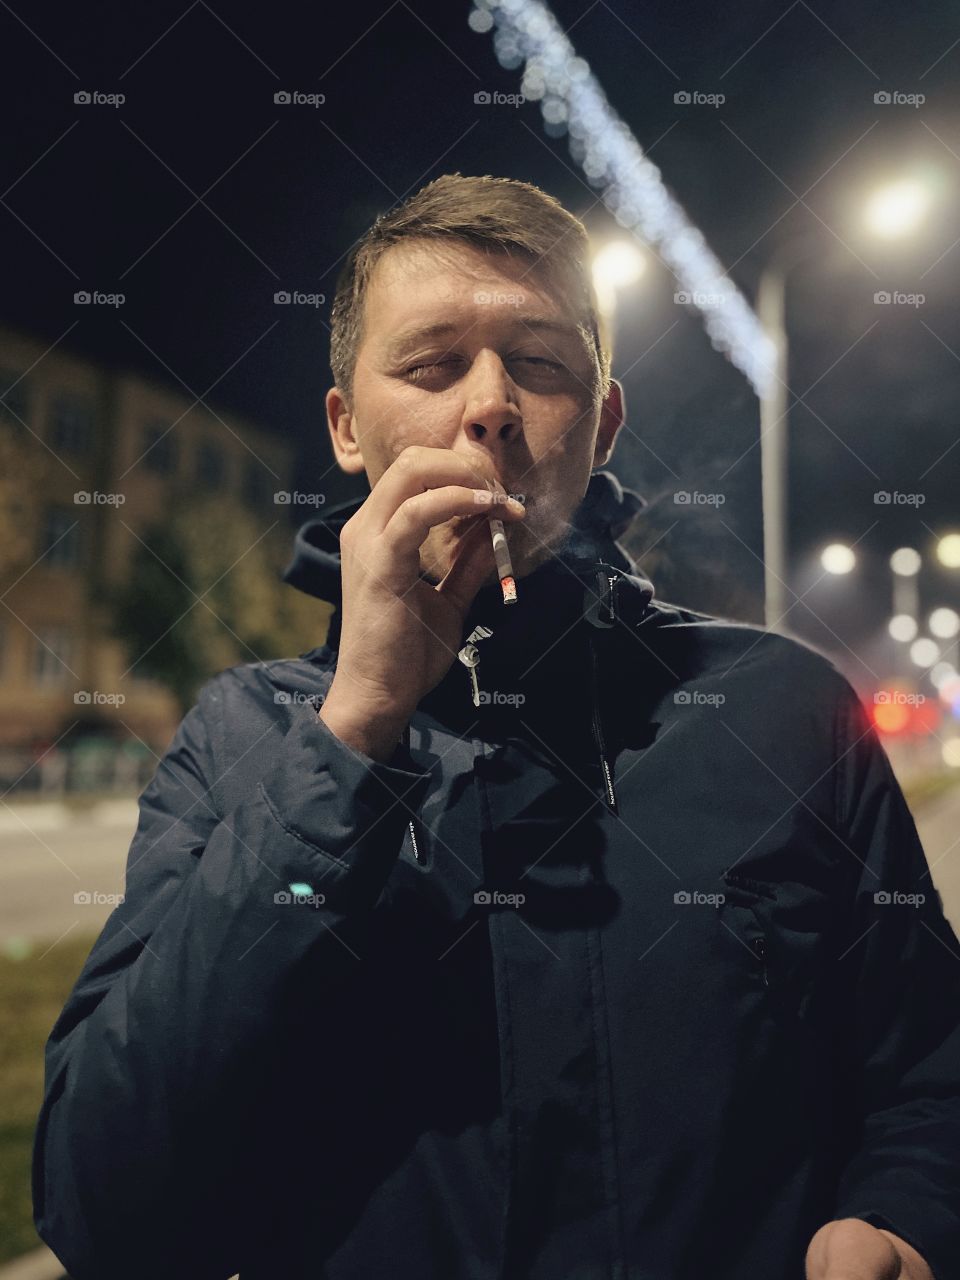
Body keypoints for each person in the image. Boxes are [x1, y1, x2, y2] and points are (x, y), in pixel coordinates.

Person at [33, 173, 960, 1280]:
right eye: (430, 363)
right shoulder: (242, 741)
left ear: (604, 421)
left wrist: (908, 1220)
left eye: (542, 362)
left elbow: (927, 1073)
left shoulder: (782, 708)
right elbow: (100, 1205)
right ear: (345, 427)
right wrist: (352, 732)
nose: (489, 404)